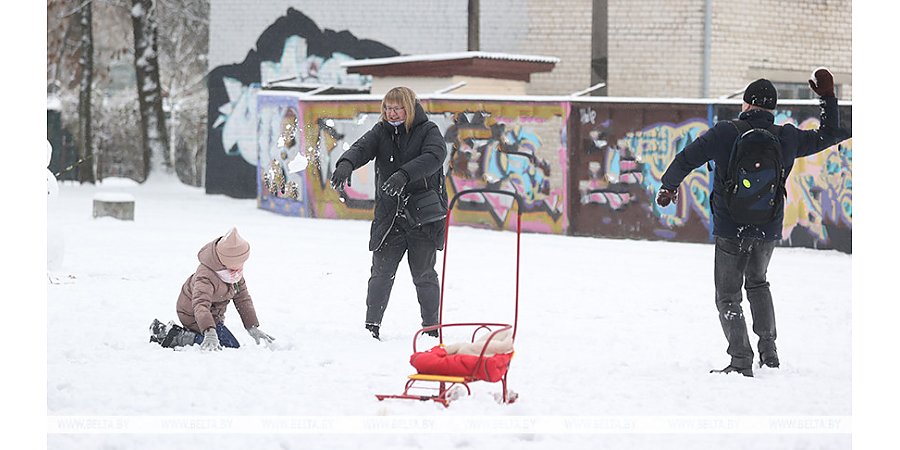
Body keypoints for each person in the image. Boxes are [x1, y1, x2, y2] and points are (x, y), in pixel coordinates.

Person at [656, 68, 851, 377]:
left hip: (730, 227)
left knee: (728, 295)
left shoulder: (724, 132)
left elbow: (686, 159)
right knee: (758, 283)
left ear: (746, 105)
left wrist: (668, 186)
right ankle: (769, 352)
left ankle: (740, 359)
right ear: (771, 110)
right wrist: (827, 98)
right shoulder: (786, 136)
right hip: (768, 226)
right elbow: (829, 135)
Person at [330, 86, 448, 340]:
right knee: (380, 273)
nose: (391, 113)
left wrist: (404, 175)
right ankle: (371, 327)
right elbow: (362, 148)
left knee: (424, 275)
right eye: (387, 108)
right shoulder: (381, 131)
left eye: (397, 108)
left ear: (409, 107)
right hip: (390, 217)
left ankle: (431, 329)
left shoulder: (428, 131)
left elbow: (435, 156)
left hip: (424, 218)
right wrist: (346, 163)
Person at [149, 227, 275, 350]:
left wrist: (252, 327)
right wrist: (209, 331)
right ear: (228, 261)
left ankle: (190, 333)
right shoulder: (206, 276)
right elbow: (200, 305)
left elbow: (243, 299)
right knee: (227, 346)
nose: (241, 266)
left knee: (228, 345)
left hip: (213, 316)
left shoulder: (234, 274)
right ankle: (174, 336)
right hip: (192, 314)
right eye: (239, 262)